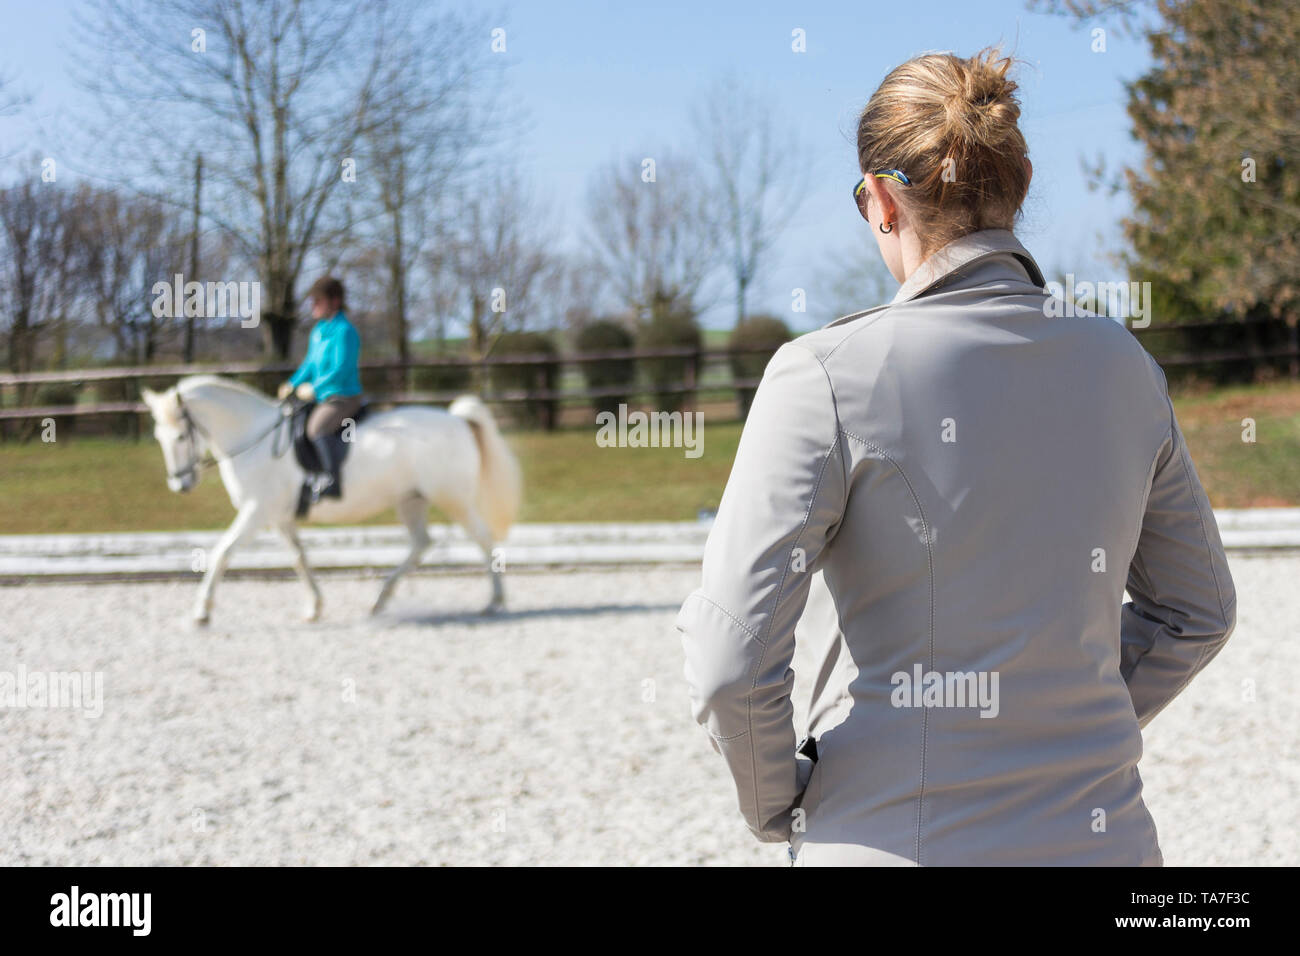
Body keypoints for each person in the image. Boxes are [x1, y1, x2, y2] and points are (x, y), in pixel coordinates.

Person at [676, 47, 1236, 866]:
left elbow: (731, 657)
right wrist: (1064, 727)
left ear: (878, 200)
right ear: (1023, 182)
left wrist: (779, 804)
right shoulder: (1124, 366)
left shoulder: (823, 376)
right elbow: (1199, 610)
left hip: (887, 838)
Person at [278, 276, 363, 507]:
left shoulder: (345, 331)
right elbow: (309, 364)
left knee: (317, 427)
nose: (313, 305)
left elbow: (341, 368)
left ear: (334, 302)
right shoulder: (319, 331)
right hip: (322, 395)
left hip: (343, 396)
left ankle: (333, 481)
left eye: (318, 301)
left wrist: (313, 389)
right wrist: (292, 384)